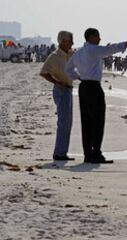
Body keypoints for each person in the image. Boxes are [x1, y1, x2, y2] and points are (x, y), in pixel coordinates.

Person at [65, 28, 127, 164]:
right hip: (93, 88)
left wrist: (79, 77)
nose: (100, 39)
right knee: (98, 121)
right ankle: (96, 153)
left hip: (84, 87)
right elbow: (115, 48)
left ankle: (88, 154)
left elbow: (67, 69)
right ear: (91, 37)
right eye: (98, 36)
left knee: (86, 121)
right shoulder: (94, 50)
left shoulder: (79, 52)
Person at [39, 31, 75, 161]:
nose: (72, 43)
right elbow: (44, 73)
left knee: (68, 122)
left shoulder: (71, 54)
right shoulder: (54, 57)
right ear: (62, 41)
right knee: (63, 122)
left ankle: (62, 152)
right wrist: (57, 82)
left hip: (69, 90)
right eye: (70, 40)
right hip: (61, 90)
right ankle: (59, 153)